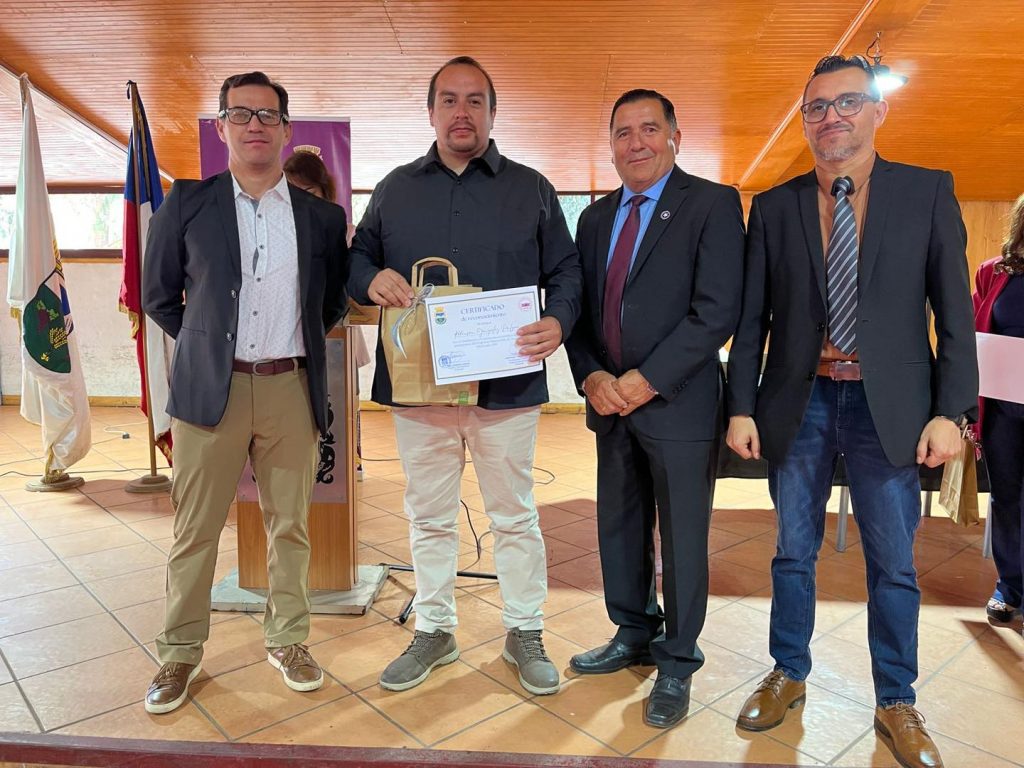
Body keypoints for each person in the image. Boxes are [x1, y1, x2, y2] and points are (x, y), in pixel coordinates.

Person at [726, 55, 977, 768]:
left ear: (878, 110)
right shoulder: (774, 206)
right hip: (798, 402)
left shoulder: (927, 192)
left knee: (893, 562)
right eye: (816, 107)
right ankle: (787, 672)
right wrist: (741, 405)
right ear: (804, 120)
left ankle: (896, 698)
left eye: (847, 102)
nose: (831, 116)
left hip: (890, 406)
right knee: (791, 551)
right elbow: (752, 321)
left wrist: (953, 412)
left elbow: (954, 315)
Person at [348, 55, 582, 696]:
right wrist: (369, 277)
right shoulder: (394, 188)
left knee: (514, 516)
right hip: (419, 385)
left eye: (475, 100)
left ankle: (524, 629)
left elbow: (566, 269)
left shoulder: (532, 188)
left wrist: (559, 320)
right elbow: (356, 257)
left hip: (506, 385)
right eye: (449, 100)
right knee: (428, 517)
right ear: (430, 112)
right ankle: (435, 629)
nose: (461, 112)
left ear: (492, 113)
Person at [142, 72, 349, 714]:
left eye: (267, 115)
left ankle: (288, 640)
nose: (254, 124)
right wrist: (210, 345)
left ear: (287, 130)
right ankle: (179, 652)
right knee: (195, 529)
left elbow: (331, 303)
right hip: (212, 389)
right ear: (222, 126)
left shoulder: (322, 217)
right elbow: (159, 296)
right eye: (241, 113)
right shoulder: (187, 202)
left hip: (290, 386)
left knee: (291, 527)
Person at [563, 89, 744, 728]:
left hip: (679, 405)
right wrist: (590, 375)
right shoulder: (593, 219)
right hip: (609, 403)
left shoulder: (712, 204)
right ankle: (633, 632)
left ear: (674, 137)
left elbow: (716, 310)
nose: (635, 142)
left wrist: (647, 380)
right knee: (619, 524)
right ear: (610, 145)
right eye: (622, 132)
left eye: (648, 128)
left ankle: (677, 660)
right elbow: (576, 311)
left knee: (683, 538)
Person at [284, 149, 372, 479]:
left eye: (308, 191)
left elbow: (350, 281)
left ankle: (353, 460)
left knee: (347, 401)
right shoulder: (275, 230)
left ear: (324, 190)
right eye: (292, 190)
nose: (301, 199)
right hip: (289, 339)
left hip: (338, 332)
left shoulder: (343, 228)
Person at [973, 192, 1024, 625]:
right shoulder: (994, 272)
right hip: (1003, 409)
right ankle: (1010, 586)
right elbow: (975, 333)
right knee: (1005, 497)